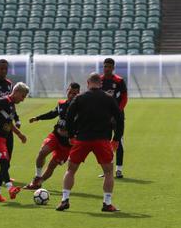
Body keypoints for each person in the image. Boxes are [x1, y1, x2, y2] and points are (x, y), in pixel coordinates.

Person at [56, 72, 124, 212]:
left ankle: (64, 200)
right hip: (102, 140)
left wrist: (71, 134)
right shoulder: (108, 98)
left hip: (82, 139)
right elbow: (119, 118)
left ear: (88, 83)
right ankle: (107, 203)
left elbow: (69, 116)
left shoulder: (80, 98)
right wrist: (116, 138)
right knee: (109, 172)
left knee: (71, 170)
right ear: (100, 83)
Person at [23, 82, 81, 190]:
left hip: (68, 144)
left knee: (52, 165)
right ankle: (37, 176)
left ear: (79, 94)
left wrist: (75, 136)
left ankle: (38, 183)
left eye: (75, 93)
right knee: (42, 152)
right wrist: (38, 118)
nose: (72, 95)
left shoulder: (81, 108)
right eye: (70, 92)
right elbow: (52, 113)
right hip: (56, 136)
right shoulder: (61, 104)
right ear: (67, 91)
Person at [0, 82, 30, 202]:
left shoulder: (11, 105)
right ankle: (10, 188)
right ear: (17, 92)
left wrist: (19, 134)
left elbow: (9, 123)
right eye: (23, 96)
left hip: (3, 139)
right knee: (4, 163)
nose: (23, 99)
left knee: (5, 165)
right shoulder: (3, 100)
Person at [99, 58, 128, 178]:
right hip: (104, 117)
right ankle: (107, 170)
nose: (107, 69)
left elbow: (124, 98)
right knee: (104, 143)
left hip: (117, 118)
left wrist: (117, 113)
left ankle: (119, 169)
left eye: (109, 67)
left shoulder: (119, 81)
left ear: (113, 68)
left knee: (118, 141)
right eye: (105, 66)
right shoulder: (99, 80)